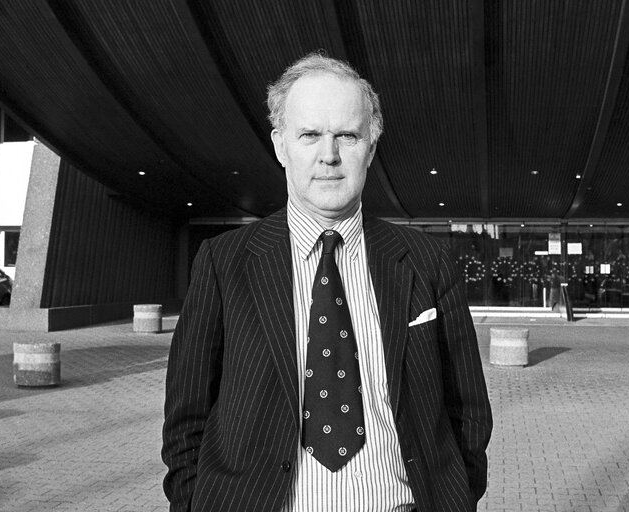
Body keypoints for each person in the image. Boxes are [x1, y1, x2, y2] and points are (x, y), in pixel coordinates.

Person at [161, 51, 493, 512]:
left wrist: (457, 497)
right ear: (281, 146)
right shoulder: (224, 263)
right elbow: (186, 420)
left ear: (371, 148)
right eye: (310, 135)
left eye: (348, 135)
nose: (329, 155)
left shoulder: (427, 260)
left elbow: (468, 409)